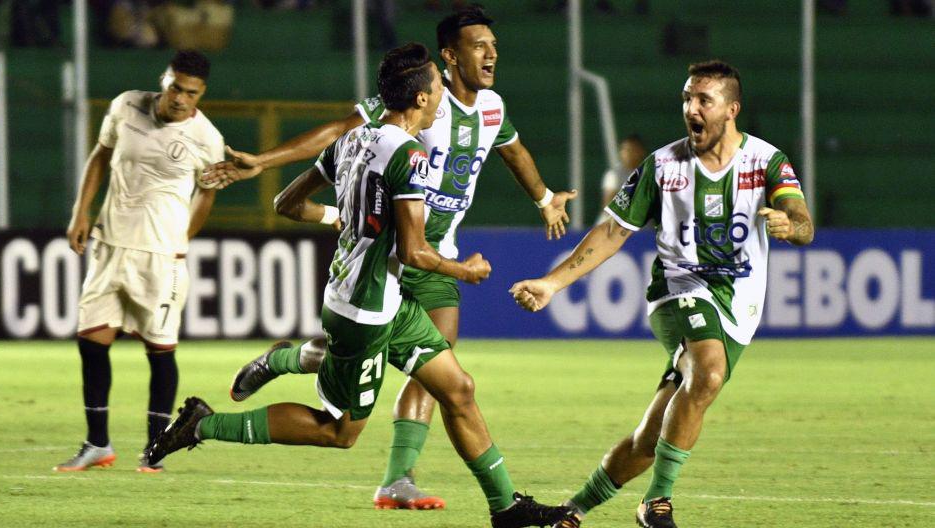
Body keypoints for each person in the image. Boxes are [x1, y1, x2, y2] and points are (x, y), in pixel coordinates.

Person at [146, 43, 570, 528]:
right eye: (436, 90)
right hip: (365, 312)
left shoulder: (353, 141)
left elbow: (288, 202)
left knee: (459, 389)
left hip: (379, 299)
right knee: (338, 432)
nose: (440, 99)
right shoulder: (408, 156)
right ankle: (204, 423)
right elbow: (414, 253)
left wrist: (342, 217)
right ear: (419, 100)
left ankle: (507, 508)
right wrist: (465, 271)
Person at [510, 60, 814, 528]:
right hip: (678, 289)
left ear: (731, 109)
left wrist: (789, 224)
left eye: (703, 100)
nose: (691, 109)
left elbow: (802, 220)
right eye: (687, 99)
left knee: (651, 438)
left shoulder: (767, 161)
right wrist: (553, 283)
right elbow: (612, 232)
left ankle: (573, 511)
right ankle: (657, 504)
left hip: (739, 303)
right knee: (708, 373)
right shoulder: (663, 165)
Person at [53, 50, 223, 473]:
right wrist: (81, 211)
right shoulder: (126, 104)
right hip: (110, 243)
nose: (181, 98)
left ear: (201, 94)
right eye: (175, 88)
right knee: (91, 341)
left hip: (161, 257)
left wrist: (183, 238)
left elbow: (207, 192)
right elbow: (100, 154)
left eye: (191, 92)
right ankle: (97, 444)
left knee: (159, 350)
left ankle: (154, 449)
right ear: (163, 80)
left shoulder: (206, 138)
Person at [597, 134, 646, 224]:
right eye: (626, 150)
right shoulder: (613, 175)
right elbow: (608, 204)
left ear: (641, 152)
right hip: (612, 228)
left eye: (633, 150)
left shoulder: (648, 174)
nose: (628, 153)